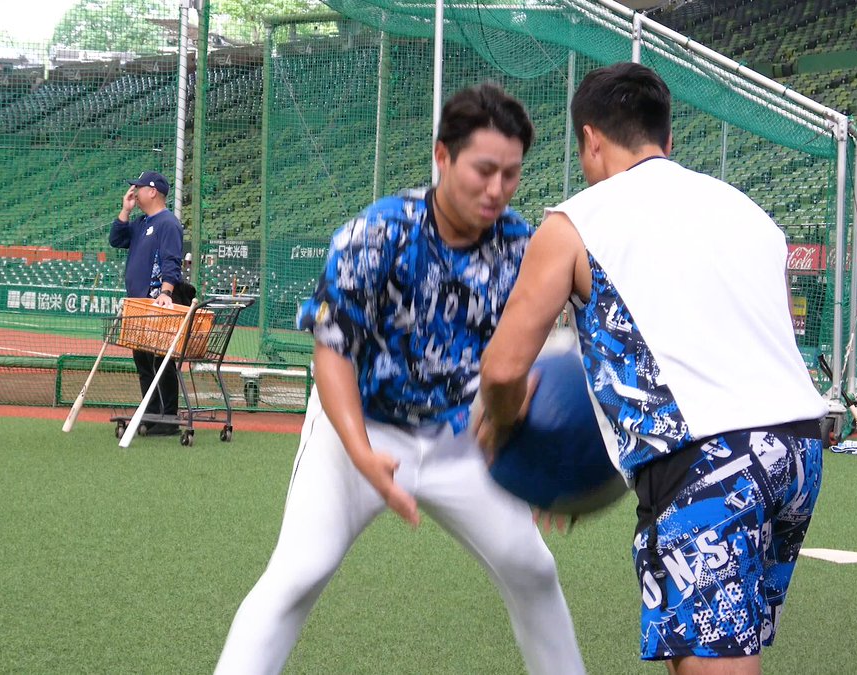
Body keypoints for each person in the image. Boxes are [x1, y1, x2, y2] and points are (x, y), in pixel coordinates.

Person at [214, 84, 585, 674]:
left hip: (465, 436)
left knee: (533, 570)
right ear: (443, 157)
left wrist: (545, 459)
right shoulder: (378, 232)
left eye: (511, 174)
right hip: (363, 426)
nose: (497, 190)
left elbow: (529, 358)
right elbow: (332, 351)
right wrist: (361, 455)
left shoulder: (521, 245)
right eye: (483, 170)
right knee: (297, 573)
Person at [474, 62, 827, 674]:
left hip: (711, 466)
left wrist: (511, 438)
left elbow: (503, 373)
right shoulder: (748, 214)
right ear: (668, 141)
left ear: (590, 139)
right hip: (798, 454)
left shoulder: (575, 223)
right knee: (704, 654)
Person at [109, 170, 184, 436]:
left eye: (138, 188)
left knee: (159, 362)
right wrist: (125, 210)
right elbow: (116, 239)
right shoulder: (141, 222)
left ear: (152, 191)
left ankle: (167, 418)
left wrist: (166, 291)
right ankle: (151, 415)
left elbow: (171, 259)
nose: (134, 192)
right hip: (138, 303)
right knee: (143, 361)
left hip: (157, 301)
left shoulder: (168, 223)